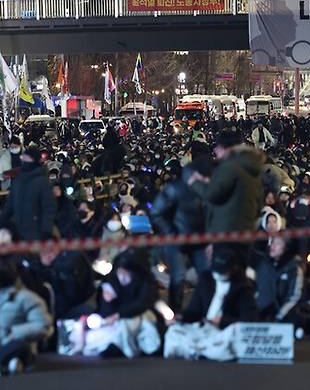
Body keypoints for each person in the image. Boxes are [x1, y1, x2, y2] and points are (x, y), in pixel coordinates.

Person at [189, 128, 264, 263]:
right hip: (245, 232)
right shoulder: (250, 168)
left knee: (224, 276)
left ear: (227, 149)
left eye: (218, 147)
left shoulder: (229, 167)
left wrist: (195, 182)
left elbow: (212, 194)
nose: (215, 150)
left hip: (226, 235)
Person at [78, 250, 161, 358]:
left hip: (137, 315)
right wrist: (108, 302)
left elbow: (143, 304)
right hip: (115, 320)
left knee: (133, 323)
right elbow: (105, 311)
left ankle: (117, 346)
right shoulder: (111, 281)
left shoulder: (146, 282)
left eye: (127, 274)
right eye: (120, 273)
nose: (122, 277)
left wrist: (119, 315)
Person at [256, 237, 310, 339]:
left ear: (286, 248)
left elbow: (294, 296)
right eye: (273, 243)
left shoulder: (294, 268)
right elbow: (259, 291)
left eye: (278, 244)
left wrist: (279, 316)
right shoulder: (264, 265)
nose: (273, 246)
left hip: (288, 311)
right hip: (267, 310)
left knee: (298, 322)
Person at [151, 162, 208, 311]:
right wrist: (171, 232)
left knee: (205, 274)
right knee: (177, 277)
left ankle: (204, 310)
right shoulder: (173, 189)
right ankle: (175, 312)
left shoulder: (204, 191)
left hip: (199, 239)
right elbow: (156, 213)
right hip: (176, 240)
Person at [0, 147, 56, 241]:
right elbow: (9, 206)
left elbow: (48, 208)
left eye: (27, 159)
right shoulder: (18, 181)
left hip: (37, 232)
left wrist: (46, 231)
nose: (24, 162)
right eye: (23, 159)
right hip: (19, 231)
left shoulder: (43, 182)